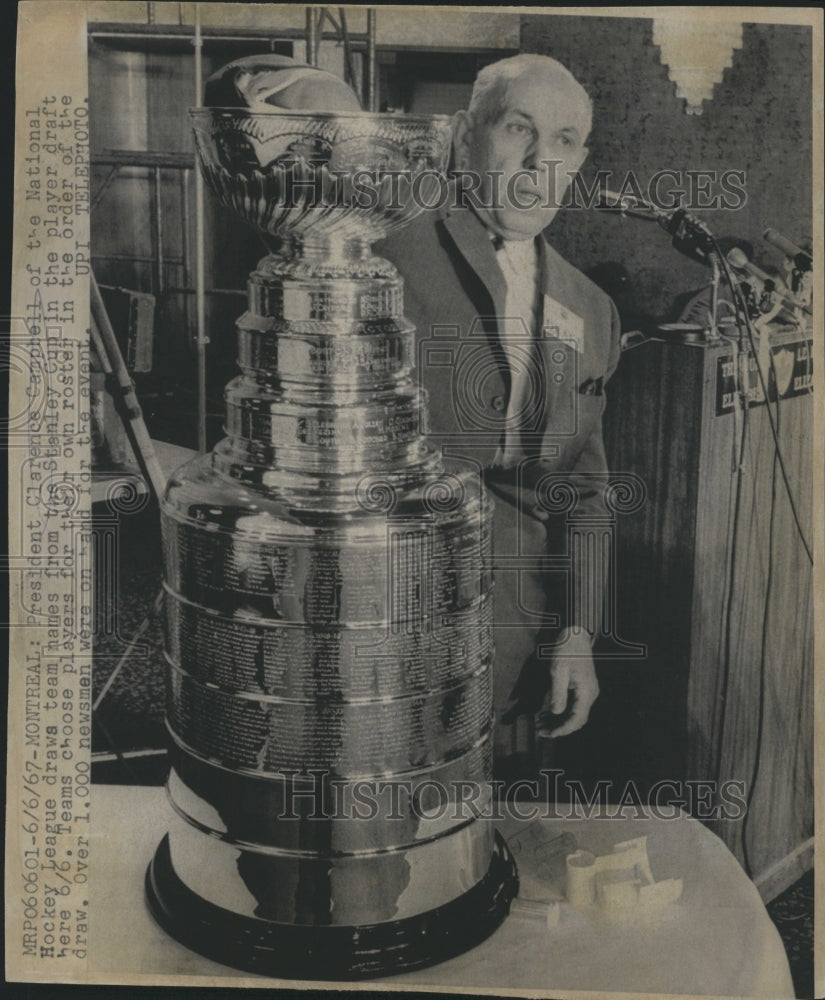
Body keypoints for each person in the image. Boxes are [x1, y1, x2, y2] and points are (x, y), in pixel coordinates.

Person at [378, 54, 621, 776]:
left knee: (479, 851)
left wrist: (576, 632)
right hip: (374, 622)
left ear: (577, 161)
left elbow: (583, 491)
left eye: (565, 140)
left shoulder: (590, 309)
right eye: (519, 128)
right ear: (463, 136)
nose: (539, 156)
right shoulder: (381, 249)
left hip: (511, 638)